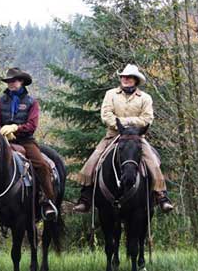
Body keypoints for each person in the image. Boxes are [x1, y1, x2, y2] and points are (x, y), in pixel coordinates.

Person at [72, 64, 173, 213]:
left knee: (153, 162)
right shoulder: (110, 94)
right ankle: (85, 198)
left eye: (129, 77)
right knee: (93, 160)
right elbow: (106, 115)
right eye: (123, 77)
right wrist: (121, 125)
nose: (125, 79)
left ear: (135, 80)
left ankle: (161, 195)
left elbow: (147, 119)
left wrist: (124, 123)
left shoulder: (145, 98)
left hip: (136, 137)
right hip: (113, 135)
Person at [0, 67, 57, 224]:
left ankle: (47, 201)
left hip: (26, 141)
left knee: (42, 165)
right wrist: (1, 132)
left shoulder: (31, 102)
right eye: (8, 82)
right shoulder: (1, 101)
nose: (11, 84)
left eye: (14, 81)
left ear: (21, 82)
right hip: (3, 141)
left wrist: (17, 128)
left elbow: (32, 125)